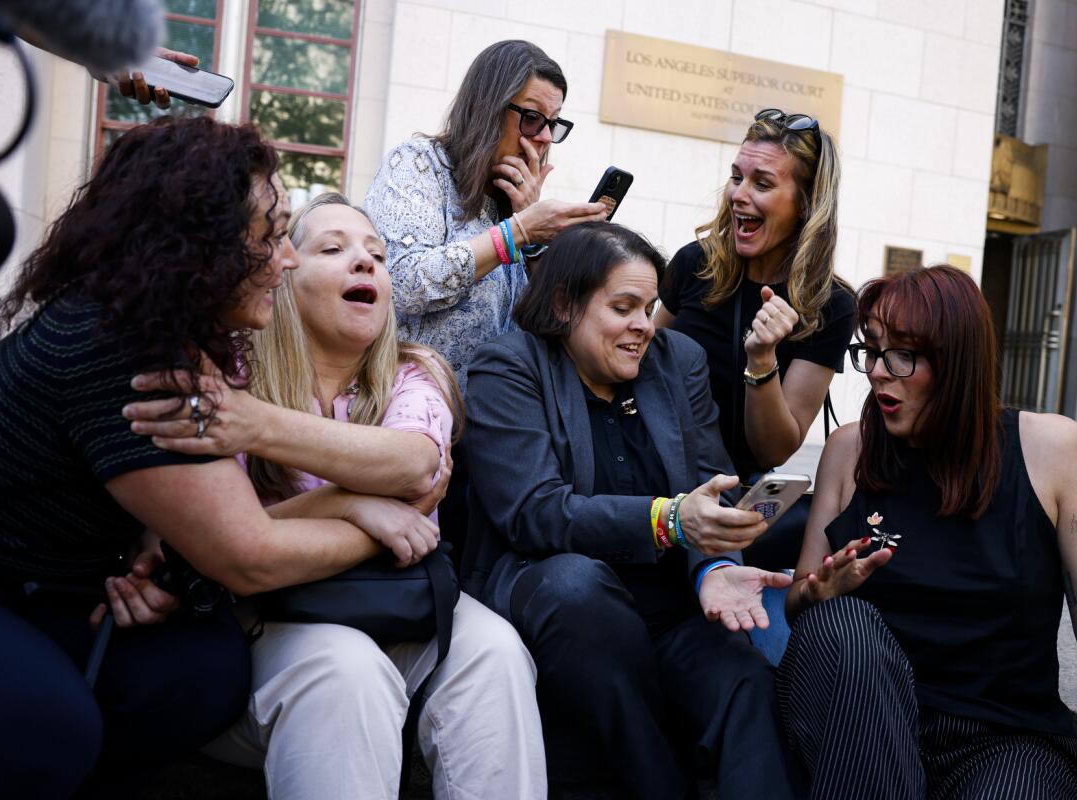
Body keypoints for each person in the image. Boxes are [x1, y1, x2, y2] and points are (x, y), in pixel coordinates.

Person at [0, 117, 397, 798]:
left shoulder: (153, 326)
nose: (287, 260)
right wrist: (366, 515)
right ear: (199, 247)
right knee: (50, 731)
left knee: (204, 670)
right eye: (270, 236)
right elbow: (249, 555)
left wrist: (141, 559)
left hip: (46, 585)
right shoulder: (117, 348)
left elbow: (200, 525)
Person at [124, 192, 546, 800]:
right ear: (285, 277)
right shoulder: (231, 373)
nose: (365, 261)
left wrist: (255, 425)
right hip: (264, 620)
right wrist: (353, 503)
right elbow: (215, 541)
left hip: (397, 598)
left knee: (496, 651)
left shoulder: (412, 371)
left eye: (377, 254)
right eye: (332, 248)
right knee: (346, 668)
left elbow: (414, 464)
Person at [779, 265, 1077, 799]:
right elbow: (799, 604)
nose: (876, 372)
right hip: (868, 727)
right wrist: (820, 591)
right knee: (842, 622)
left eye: (901, 355)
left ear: (956, 360)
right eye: (871, 350)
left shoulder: (1053, 450)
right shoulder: (850, 450)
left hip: (1004, 739)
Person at [462, 222, 799, 799]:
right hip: (559, 598)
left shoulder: (677, 361)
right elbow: (536, 512)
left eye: (648, 307)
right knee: (577, 587)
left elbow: (711, 487)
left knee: (742, 680)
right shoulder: (510, 366)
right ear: (564, 305)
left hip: (670, 605)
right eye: (622, 308)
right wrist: (668, 519)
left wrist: (716, 565)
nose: (643, 325)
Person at [366, 38, 609, 390]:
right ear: (488, 109)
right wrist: (518, 231)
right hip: (410, 405)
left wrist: (536, 243)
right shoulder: (418, 162)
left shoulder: (516, 201)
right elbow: (404, 284)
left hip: (493, 413)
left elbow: (551, 323)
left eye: (553, 123)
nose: (544, 137)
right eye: (532, 118)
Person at [656, 109, 855, 484]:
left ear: (806, 203)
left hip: (729, 493)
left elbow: (773, 451)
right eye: (737, 177)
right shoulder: (694, 263)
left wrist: (762, 360)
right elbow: (643, 363)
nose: (738, 195)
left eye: (762, 184)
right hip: (652, 479)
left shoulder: (829, 304)